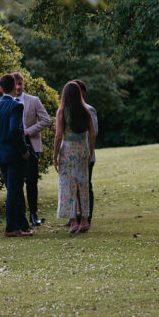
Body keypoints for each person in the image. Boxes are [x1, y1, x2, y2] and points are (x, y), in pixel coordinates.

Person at [0, 74, 33, 237]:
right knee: (14, 191)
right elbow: (15, 130)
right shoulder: (16, 106)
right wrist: (23, 150)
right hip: (14, 154)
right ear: (14, 86)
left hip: (1, 153)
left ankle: (23, 225)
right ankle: (11, 227)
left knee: (14, 189)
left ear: (0, 88)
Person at [53, 81, 95, 234]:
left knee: (68, 185)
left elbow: (58, 136)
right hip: (82, 149)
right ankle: (84, 220)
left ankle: (73, 221)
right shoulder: (85, 111)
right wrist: (90, 151)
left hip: (68, 150)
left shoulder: (62, 111)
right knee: (82, 184)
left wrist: (54, 156)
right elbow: (92, 132)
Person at [12, 72, 51, 227]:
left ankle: (33, 213)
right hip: (14, 145)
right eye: (15, 84)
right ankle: (19, 214)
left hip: (31, 143)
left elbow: (46, 120)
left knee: (31, 181)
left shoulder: (33, 100)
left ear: (23, 84)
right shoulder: (7, 102)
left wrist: (29, 130)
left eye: (20, 84)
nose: (17, 87)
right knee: (16, 181)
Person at [73, 79, 98, 232]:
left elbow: (94, 131)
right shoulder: (67, 109)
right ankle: (76, 217)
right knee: (73, 187)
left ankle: (86, 217)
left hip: (86, 153)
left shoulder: (89, 109)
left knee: (85, 186)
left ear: (82, 92)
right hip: (72, 154)